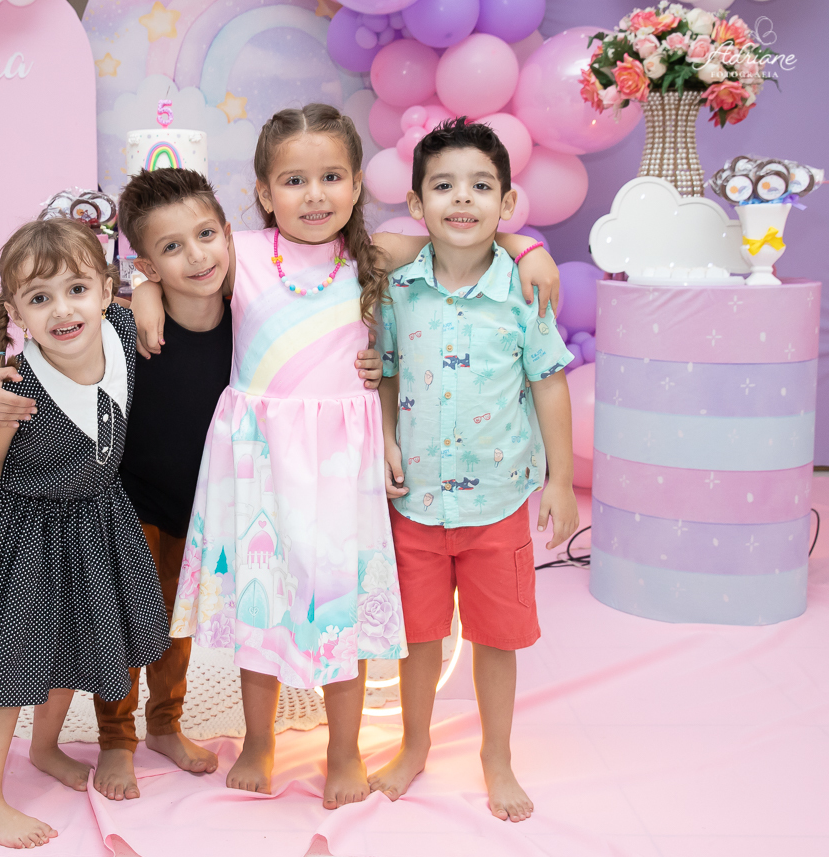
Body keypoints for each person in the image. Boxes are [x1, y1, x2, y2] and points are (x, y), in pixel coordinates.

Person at [132, 104, 562, 810]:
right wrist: (146, 288)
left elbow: (464, 232)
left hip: (341, 463)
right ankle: (260, 742)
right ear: (265, 192)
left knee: (342, 613)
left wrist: (528, 246)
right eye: (294, 181)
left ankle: (343, 750)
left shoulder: (376, 253)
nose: (315, 195)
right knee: (260, 609)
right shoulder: (242, 251)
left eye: (332, 177)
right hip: (262, 461)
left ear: (358, 184)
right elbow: (182, 259)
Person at [0, 168, 387, 801]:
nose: (197, 257)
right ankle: (116, 741)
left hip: (209, 504)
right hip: (129, 502)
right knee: (118, 629)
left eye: (207, 236)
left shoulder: (250, 312)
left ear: (229, 236)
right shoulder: (129, 327)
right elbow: (39, 360)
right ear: (147, 265)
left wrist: (371, 362)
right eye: (171, 248)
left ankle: (165, 725)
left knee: (173, 629)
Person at [0, 218, 170, 848]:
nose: (62, 310)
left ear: (104, 290)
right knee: (12, 671)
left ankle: (44, 747)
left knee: (68, 653)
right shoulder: (16, 386)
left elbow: (148, 286)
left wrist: (145, 290)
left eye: (76, 290)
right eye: (40, 298)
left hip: (96, 526)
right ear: (16, 313)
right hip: (26, 536)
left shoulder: (121, 332)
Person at [372, 117, 580, 822]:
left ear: (507, 202)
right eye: (444, 186)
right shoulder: (398, 290)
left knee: (497, 636)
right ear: (417, 201)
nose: (462, 199)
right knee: (419, 636)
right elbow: (387, 374)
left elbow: (549, 382)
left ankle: (497, 755)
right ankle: (414, 744)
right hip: (415, 503)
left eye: (481, 186)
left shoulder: (524, 291)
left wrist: (559, 480)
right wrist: (386, 439)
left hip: (497, 504)